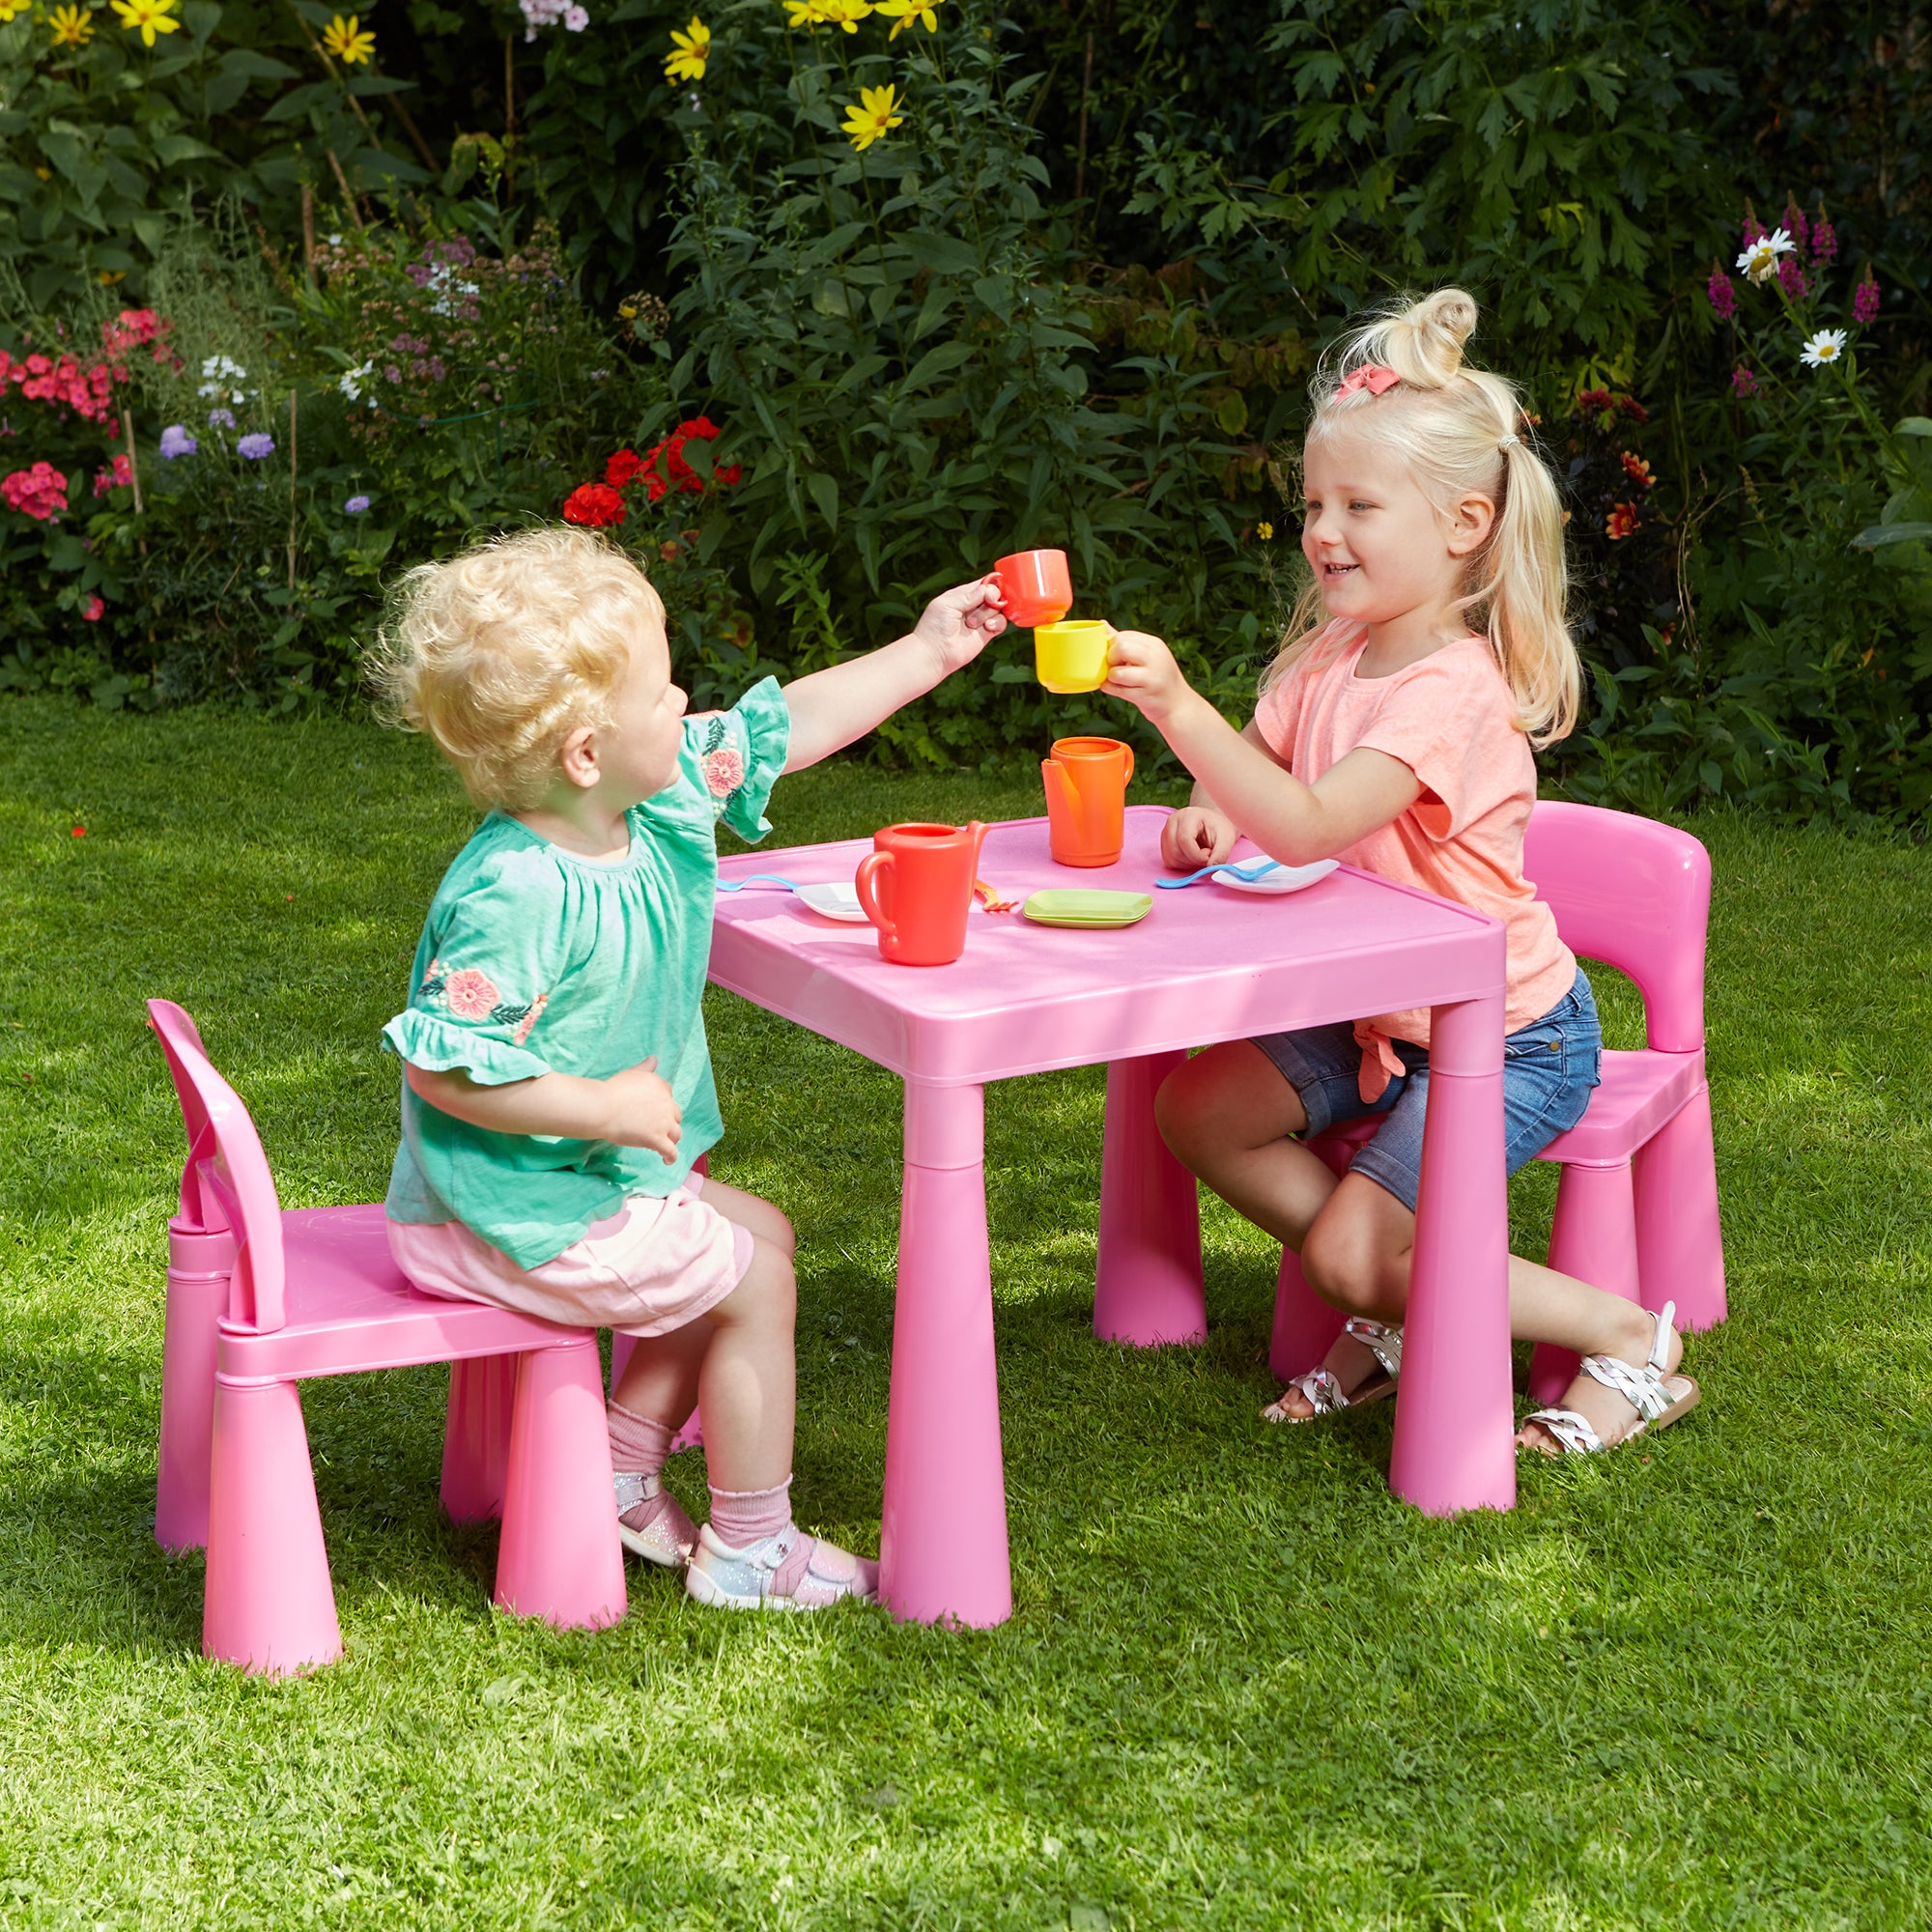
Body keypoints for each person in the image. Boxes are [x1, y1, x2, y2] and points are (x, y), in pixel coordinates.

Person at [1102, 290, 1698, 1457]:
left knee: (1341, 1252)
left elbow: (1309, 824)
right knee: (1196, 1109)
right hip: (1371, 1011)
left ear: (1464, 522)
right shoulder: (1332, 652)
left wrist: (1174, 705)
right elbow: (1249, 779)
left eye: (1358, 505)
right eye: (1312, 503)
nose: (1322, 530)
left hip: (1505, 1031)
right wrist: (1200, 817)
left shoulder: (1450, 692)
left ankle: (1626, 1336)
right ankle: (1398, 1291)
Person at [369, 525, 1007, 1605]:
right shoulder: (516, 892)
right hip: (499, 1213)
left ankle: (617, 1464)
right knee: (756, 1282)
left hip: (575, 1187)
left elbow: (784, 726)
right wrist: (602, 1105)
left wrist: (929, 647)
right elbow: (446, 1070)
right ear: (585, 752)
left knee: (764, 1236)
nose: (685, 704)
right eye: (664, 689)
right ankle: (750, 1546)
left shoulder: (649, 800)